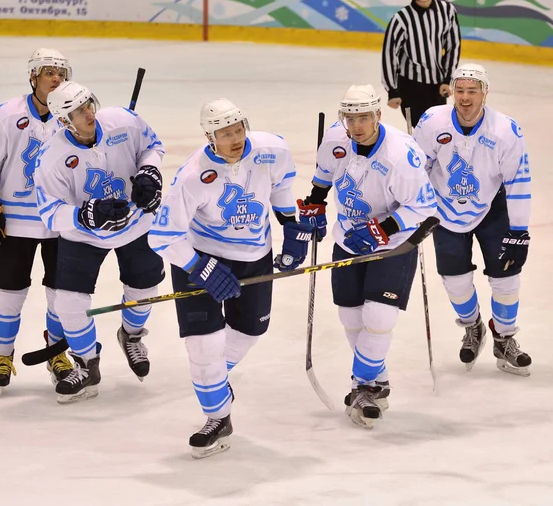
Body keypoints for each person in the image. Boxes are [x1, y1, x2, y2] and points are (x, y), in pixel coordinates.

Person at [148, 98, 312, 457]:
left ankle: (214, 383)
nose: (235, 138)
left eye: (238, 129)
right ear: (210, 137)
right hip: (198, 258)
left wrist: (291, 229)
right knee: (203, 348)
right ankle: (217, 416)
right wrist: (199, 267)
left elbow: (281, 187)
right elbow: (162, 236)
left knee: (251, 330)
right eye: (225, 133)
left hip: (254, 256)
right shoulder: (193, 176)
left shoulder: (272, 149)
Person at [298, 84, 437, 428]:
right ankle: (380, 381)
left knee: (378, 318)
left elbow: (424, 206)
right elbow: (323, 178)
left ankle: (361, 385)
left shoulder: (401, 154)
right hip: (347, 238)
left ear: (378, 115)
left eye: (364, 117)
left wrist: (381, 230)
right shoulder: (335, 140)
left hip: (394, 243)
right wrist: (315, 203)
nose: (356, 125)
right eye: (350, 117)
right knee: (352, 320)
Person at [33, 80, 165, 403]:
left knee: (146, 288)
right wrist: (85, 216)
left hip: (134, 222)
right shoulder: (51, 156)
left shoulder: (123, 121)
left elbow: (153, 146)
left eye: (88, 104)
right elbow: (50, 212)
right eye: (79, 111)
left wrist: (149, 172)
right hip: (83, 235)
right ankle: (87, 362)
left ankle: (131, 336)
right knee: (68, 304)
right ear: (64, 121)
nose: (89, 113)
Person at [413, 63, 532, 376]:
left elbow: (519, 181)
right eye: (460, 90)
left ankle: (504, 338)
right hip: (444, 212)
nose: (465, 98)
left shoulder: (505, 130)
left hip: (492, 209)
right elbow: (414, 170)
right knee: (456, 282)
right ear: (453, 91)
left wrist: (519, 230)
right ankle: (473, 327)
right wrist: (414, 210)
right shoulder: (432, 121)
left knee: (506, 278)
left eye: (473, 91)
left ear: (485, 93)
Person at [0, 48, 74, 392]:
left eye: (61, 73)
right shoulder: (6, 115)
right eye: (48, 72)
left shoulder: (74, 114)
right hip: (15, 220)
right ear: (33, 77)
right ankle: (2, 356)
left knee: (61, 295)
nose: (56, 78)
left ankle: (57, 353)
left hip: (60, 219)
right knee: (9, 293)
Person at [381, 0, 461, 127]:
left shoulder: (447, 11)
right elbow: (389, 54)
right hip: (411, 87)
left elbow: (453, 46)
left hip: (438, 86)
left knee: (439, 131)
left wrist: (447, 78)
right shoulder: (402, 18)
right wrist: (392, 91)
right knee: (419, 131)